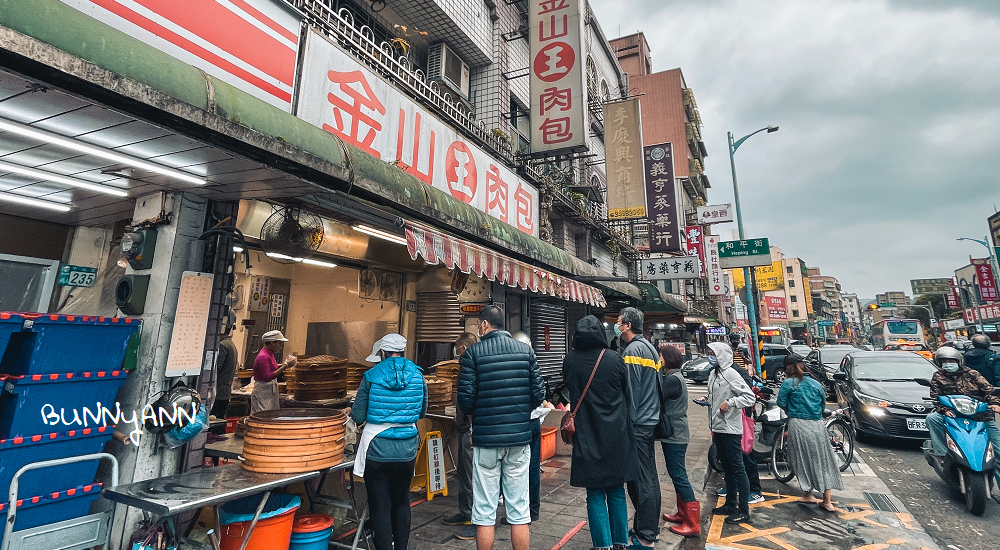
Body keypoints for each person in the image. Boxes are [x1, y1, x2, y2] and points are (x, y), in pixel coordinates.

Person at [458, 306, 545, 550]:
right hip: (519, 439)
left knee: (484, 510)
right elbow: (539, 394)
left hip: (486, 440)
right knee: (519, 508)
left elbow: (465, 401)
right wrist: (518, 411)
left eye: (478, 324)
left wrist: (484, 411)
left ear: (485, 325)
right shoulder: (526, 352)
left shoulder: (473, 354)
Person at [563, 316, 636, 550]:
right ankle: (621, 542)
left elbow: (569, 389)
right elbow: (627, 393)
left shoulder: (570, 361)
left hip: (586, 436)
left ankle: (602, 545)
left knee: (594, 493)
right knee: (616, 490)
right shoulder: (614, 359)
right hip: (615, 434)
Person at [350, 333, 427, 550]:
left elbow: (358, 416)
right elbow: (422, 411)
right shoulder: (418, 375)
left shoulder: (371, 375)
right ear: (403, 351)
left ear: (382, 352)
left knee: (380, 507)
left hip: (376, 448)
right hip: (407, 449)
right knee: (402, 501)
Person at [616, 307, 661, 549]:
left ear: (629, 325)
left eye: (619, 322)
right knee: (648, 477)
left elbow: (630, 392)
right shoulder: (650, 349)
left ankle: (645, 534)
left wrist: (627, 423)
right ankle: (648, 528)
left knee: (644, 479)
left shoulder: (633, 351)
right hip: (649, 420)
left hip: (639, 422)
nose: (617, 325)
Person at [775, 354, 843, 512]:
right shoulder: (816, 384)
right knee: (823, 460)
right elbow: (822, 406)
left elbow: (781, 402)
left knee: (800, 460)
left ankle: (808, 493)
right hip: (818, 426)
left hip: (798, 424)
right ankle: (827, 501)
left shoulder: (788, 383)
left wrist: (792, 410)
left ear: (789, 368)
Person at [925, 347, 1000, 486]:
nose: (948, 364)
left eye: (951, 361)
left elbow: (989, 391)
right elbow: (935, 399)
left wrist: (995, 404)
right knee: (932, 418)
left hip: (980, 416)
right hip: (953, 416)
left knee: (998, 450)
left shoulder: (972, 374)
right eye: (944, 361)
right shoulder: (938, 376)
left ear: (958, 361)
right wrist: (944, 410)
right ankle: (942, 454)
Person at [705, 342, 756, 524]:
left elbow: (749, 397)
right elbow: (715, 395)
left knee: (737, 469)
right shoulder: (713, 373)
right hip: (717, 427)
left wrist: (731, 403)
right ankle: (730, 504)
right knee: (727, 468)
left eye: (713, 353)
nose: (710, 356)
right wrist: (707, 399)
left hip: (730, 429)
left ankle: (743, 510)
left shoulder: (731, 373)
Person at [658, 344, 700, 537]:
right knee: (676, 475)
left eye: (660, 357)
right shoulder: (673, 377)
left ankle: (692, 523)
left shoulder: (673, 379)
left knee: (679, 476)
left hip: (676, 435)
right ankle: (682, 514)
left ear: (667, 359)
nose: (659, 359)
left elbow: (658, 396)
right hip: (675, 434)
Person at [443, 332, 479, 540]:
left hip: (471, 428)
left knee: (471, 474)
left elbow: (469, 396)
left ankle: (476, 518)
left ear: (463, 348)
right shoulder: (470, 362)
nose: (455, 353)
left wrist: (466, 422)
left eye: (457, 349)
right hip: (466, 426)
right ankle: (465, 512)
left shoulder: (471, 363)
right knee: (464, 472)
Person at [251, 330, 295, 413]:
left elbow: (272, 366)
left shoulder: (269, 354)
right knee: (263, 415)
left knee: (271, 414)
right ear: (272, 343)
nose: (281, 346)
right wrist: (285, 367)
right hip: (263, 391)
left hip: (269, 390)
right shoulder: (263, 356)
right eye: (280, 343)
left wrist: (285, 364)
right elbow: (267, 376)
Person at [211, 323, 239, 418]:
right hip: (225, 391)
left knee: (214, 419)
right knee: (220, 419)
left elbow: (216, 369)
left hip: (219, 391)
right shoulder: (231, 344)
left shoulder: (223, 345)